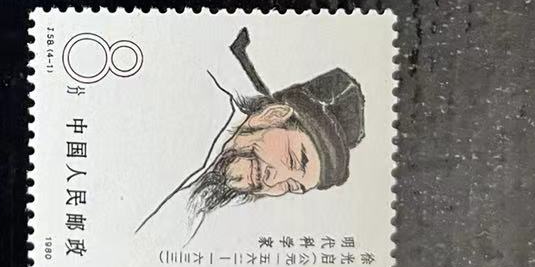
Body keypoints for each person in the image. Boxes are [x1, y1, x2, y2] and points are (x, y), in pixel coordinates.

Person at [138, 26, 365, 240]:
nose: (273, 180)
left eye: (291, 186)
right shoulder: (199, 94)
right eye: (292, 159)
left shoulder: (204, 199)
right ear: (274, 115)